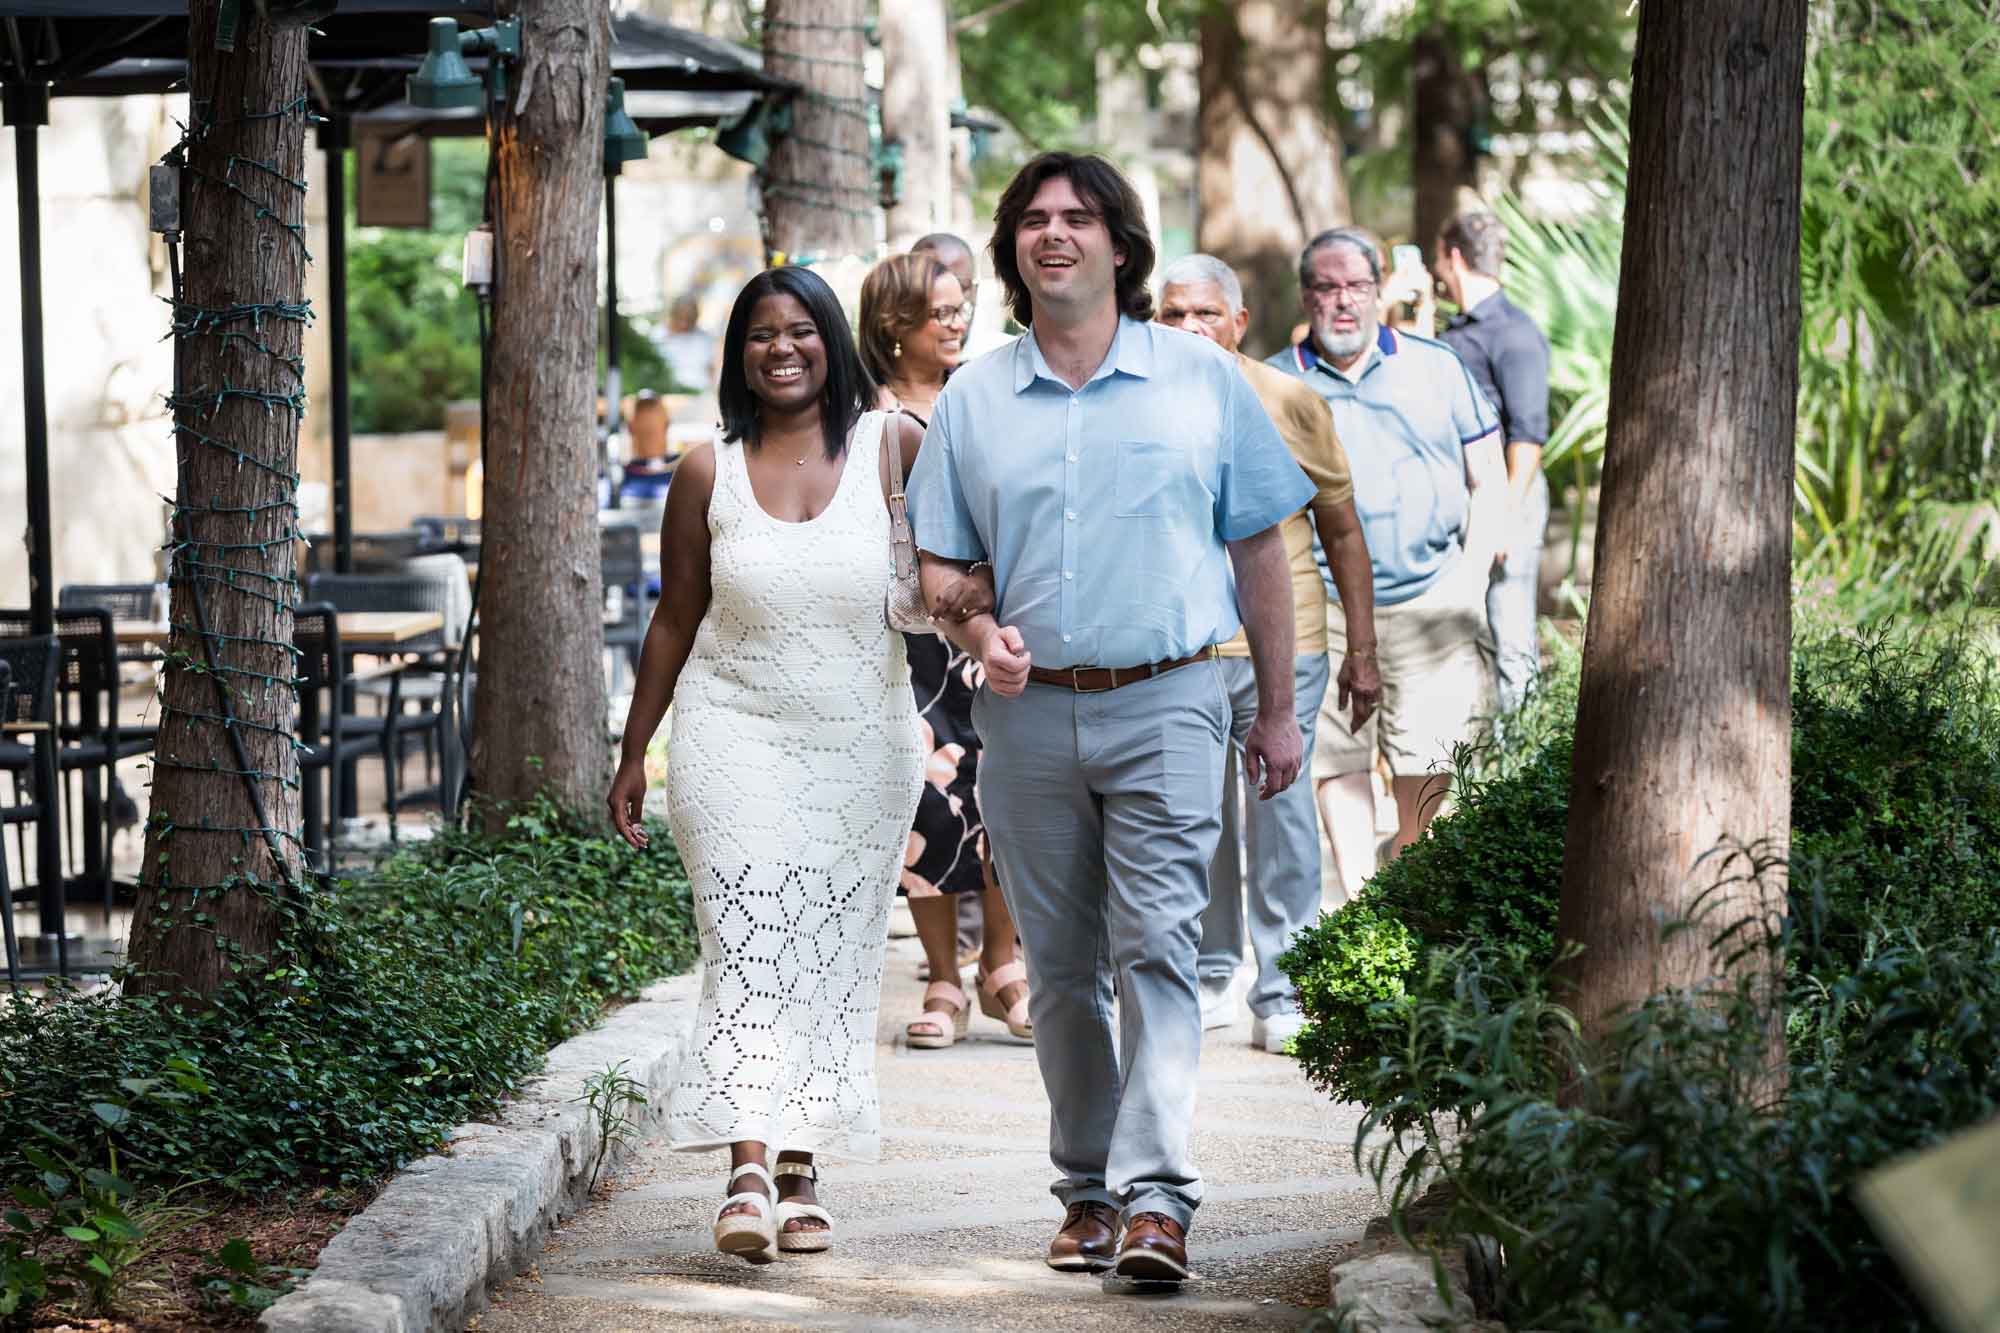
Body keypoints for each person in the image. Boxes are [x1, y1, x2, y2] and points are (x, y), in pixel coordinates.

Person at [906, 152, 1314, 1285]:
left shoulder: (1199, 380)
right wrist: (977, 629)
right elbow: (942, 564)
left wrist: (1275, 711)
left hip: (1175, 697)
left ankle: (1155, 1197)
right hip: (1028, 716)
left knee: (1158, 947)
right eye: (1032, 221)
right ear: (1012, 252)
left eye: (1077, 218)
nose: (1053, 235)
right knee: (1062, 961)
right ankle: (1084, 1187)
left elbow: (1260, 551)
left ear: (1119, 246)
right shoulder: (976, 399)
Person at [605, 266, 989, 1265]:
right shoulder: (704, 470)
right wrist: (633, 748)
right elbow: (673, 617)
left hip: (860, 740)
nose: (781, 349)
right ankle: (743, 1163)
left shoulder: (892, 444)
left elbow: (947, 579)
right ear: (739, 354)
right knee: (745, 941)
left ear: (830, 340)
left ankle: (800, 1162)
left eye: (799, 331)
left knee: (831, 948)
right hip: (730, 735)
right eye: (760, 335)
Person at [1154, 254, 1380, 1053]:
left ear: (1239, 322)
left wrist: (1365, 648)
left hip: (1282, 644)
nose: (1188, 329)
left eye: (1205, 314)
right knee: (1196, 815)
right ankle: (1218, 970)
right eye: (1173, 314)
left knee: (1281, 813)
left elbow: (1342, 531)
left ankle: (1283, 985)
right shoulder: (1138, 399)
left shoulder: (1291, 401)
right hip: (1177, 646)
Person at [1269, 226, 1504, 893]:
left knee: (1427, 762)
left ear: (1379, 291)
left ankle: (1411, 890)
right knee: (1337, 758)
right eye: (1327, 287)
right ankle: (1364, 903)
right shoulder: (1275, 384)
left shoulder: (1437, 366)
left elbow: (1488, 475)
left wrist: (1470, 577)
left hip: (1432, 600)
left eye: (1357, 286)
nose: (1343, 302)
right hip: (1323, 609)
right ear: (1307, 296)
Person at [857, 252, 1032, 1049]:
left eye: (963, 308)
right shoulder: (862, 414)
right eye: (941, 311)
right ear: (895, 327)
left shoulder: (989, 394)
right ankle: (942, 975)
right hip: (904, 638)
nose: (958, 322)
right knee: (923, 799)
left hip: (987, 619)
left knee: (998, 792)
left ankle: (1003, 967)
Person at [1435, 210, 1552, 713]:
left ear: (1453, 257)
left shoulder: (1515, 333)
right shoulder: (1457, 329)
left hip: (1509, 495)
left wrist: (1502, 515)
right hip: (1461, 496)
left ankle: (1519, 768)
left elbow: (1527, 435)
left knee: (1510, 633)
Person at [659, 292, 718, 393]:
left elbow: (711, 369)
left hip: (700, 395)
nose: (684, 324)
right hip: (670, 394)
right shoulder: (658, 336)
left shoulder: (704, 338)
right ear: (673, 315)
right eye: (681, 319)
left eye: (690, 320)